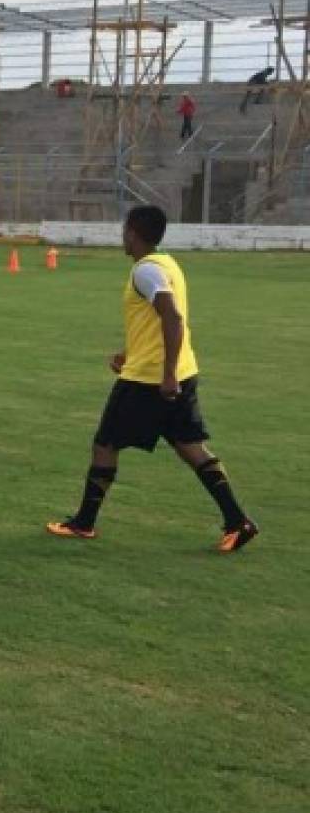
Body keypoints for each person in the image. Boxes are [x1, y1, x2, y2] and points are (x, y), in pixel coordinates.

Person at [46, 205, 259, 553]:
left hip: (151, 381)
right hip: (177, 372)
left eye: (124, 230)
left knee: (105, 444)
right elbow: (157, 324)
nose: (122, 237)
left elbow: (172, 318)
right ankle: (239, 522)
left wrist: (166, 374)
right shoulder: (168, 264)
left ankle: (84, 523)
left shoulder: (146, 272)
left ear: (132, 232)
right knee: (191, 447)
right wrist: (132, 354)